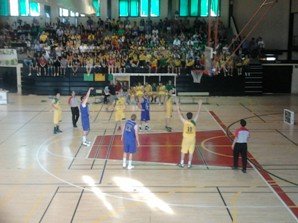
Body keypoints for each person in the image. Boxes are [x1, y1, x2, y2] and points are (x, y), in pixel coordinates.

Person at [176, 99, 203, 168]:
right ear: (192, 116)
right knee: (191, 152)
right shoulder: (194, 121)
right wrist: (200, 105)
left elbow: (179, 114)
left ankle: (182, 163)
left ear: (187, 116)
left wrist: (177, 104)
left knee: (183, 151)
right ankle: (189, 164)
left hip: (186, 139)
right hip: (192, 139)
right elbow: (198, 112)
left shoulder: (185, 122)